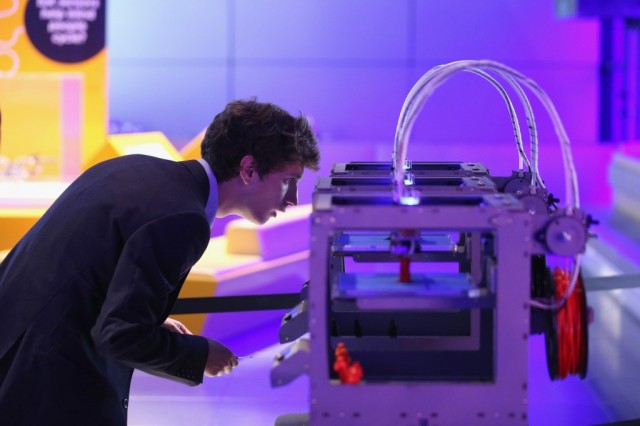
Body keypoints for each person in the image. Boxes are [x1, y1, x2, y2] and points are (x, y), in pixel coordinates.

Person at [0, 99, 320, 425]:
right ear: (249, 169)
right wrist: (198, 355)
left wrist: (149, 315)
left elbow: (83, 274)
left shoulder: (135, 169)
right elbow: (120, 335)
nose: (293, 198)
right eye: (288, 181)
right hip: (45, 388)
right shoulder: (183, 219)